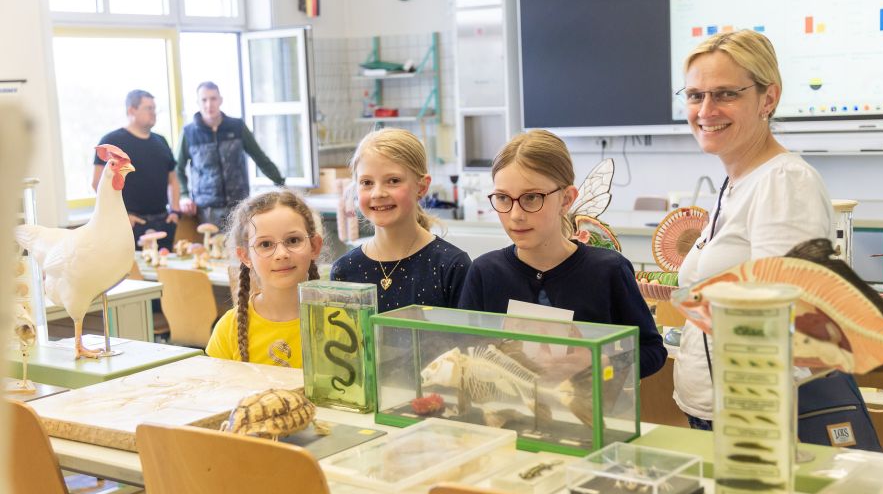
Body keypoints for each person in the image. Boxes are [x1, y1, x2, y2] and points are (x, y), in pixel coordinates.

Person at [672, 30, 836, 428]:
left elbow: (786, 320)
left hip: (752, 422)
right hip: (715, 413)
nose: (706, 109)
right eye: (695, 95)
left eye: (726, 94)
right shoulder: (736, 182)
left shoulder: (785, 182)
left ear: (768, 98)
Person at [457, 129, 666, 379]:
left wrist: (603, 363)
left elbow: (653, 351)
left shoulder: (608, 271)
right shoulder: (484, 272)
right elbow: (464, 352)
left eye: (532, 198)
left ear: (566, 200)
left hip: (589, 414)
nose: (515, 215)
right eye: (503, 198)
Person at [330, 128, 471, 313]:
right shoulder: (344, 271)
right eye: (367, 182)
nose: (378, 193)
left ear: (421, 187)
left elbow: (467, 340)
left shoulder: (451, 266)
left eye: (393, 180)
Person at [205, 189, 322, 367]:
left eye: (293, 240)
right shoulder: (228, 330)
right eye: (265, 244)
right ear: (245, 256)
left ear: (314, 246)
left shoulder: (339, 323)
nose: (281, 254)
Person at [176, 81, 286, 229]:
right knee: (213, 251)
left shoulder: (237, 127)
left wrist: (281, 184)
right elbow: (177, 168)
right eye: (204, 100)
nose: (209, 104)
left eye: (213, 98)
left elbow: (260, 157)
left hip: (239, 206)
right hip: (207, 210)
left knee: (241, 250)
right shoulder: (189, 133)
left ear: (220, 100)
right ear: (198, 102)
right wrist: (183, 196)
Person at [93, 89, 179, 251]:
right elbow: (97, 184)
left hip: (163, 222)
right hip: (130, 224)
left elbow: (173, 179)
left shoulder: (161, 141)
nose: (153, 113)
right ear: (131, 110)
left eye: (154, 108)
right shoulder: (112, 141)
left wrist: (174, 211)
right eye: (148, 108)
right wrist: (121, 217)